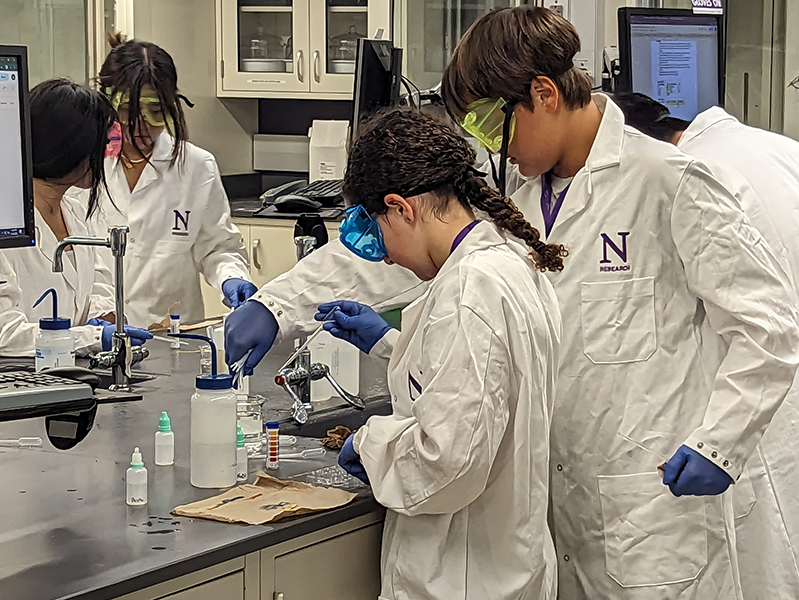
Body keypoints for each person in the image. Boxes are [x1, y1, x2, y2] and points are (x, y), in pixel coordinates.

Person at [439, 7, 799, 598]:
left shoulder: (667, 181)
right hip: (563, 515)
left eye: (487, 125)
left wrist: (719, 442)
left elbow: (768, 325)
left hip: (658, 516)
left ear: (544, 93)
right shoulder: (522, 205)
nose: (488, 148)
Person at [324, 108, 562, 600]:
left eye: (379, 234)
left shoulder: (469, 290)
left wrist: (371, 446)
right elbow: (483, 389)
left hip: (463, 576)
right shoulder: (509, 261)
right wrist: (390, 344)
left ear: (401, 207)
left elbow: (446, 462)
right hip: (506, 567)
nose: (386, 256)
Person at [615, 91, 799, 598]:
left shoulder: (688, 174)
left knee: (766, 565)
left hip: (760, 405)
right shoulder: (776, 147)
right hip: (776, 390)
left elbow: (758, 322)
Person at [0, 79, 152, 357]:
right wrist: (91, 337)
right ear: (69, 148)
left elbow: (93, 288)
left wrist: (105, 317)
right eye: (100, 143)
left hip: (66, 374)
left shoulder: (73, 211)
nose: (106, 155)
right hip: (14, 384)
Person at [85, 35, 253, 327]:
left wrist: (232, 278)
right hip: (94, 335)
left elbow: (217, 247)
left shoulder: (196, 167)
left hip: (172, 337)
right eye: (129, 111)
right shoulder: (83, 168)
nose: (143, 125)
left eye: (156, 112)